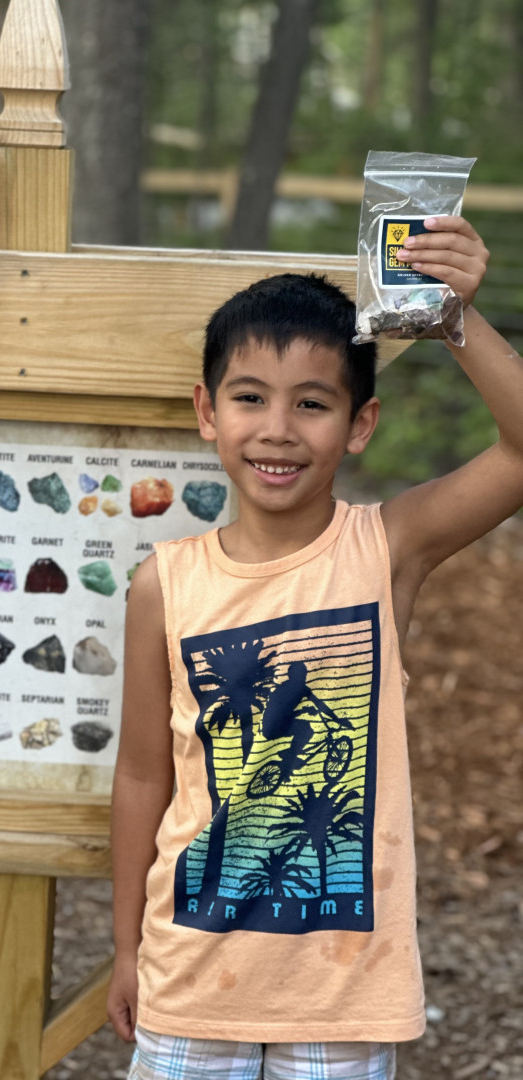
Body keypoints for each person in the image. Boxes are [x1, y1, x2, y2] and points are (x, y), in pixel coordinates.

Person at [107, 216, 523, 1080]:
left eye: (312, 403)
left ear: (359, 423)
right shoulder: (163, 585)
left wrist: (454, 317)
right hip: (191, 975)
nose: (278, 429)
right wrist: (124, 949)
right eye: (249, 397)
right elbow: (143, 778)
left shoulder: (386, 549)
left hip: (344, 991)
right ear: (207, 412)